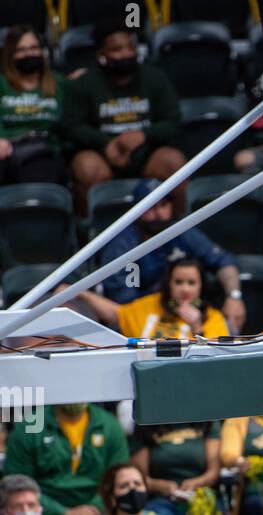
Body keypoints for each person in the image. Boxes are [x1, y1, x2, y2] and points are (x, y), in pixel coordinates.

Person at [94, 178, 247, 334]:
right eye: (150, 207)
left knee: (230, 317)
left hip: (186, 311)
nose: (158, 213)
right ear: (136, 210)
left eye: (163, 205)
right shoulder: (123, 246)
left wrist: (234, 296)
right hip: (144, 316)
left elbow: (223, 262)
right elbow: (125, 304)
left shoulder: (181, 232)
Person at [64, 20, 185, 216]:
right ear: (101, 55)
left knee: (174, 161)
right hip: (102, 154)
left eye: (130, 47)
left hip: (146, 154)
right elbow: (71, 125)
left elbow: (173, 121)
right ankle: (88, 233)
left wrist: (143, 135)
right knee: (86, 166)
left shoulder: (154, 77)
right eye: (117, 50)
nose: (126, 54)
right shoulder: (85, 83)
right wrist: (105, 143)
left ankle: (180, 230)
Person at [3, 401, 128, 515]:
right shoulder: (28, 427)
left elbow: (119, 478)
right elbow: (15, 486)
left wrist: (94, 510)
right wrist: (65, 514)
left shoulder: (110, 426)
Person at [73, 256, 231, 342]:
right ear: (169, 283)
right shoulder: (152, 303)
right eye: (178, 282)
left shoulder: (213, 318)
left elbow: (213, 362)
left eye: (191, 283)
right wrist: (82, 293)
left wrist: (197, 327)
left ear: (201, 286)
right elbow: (116, 314)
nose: (185, 288)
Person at [0, 25, 67, 185]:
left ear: (42, 52)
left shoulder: (60, 83)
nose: (29, 54)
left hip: (44, 150)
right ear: (11, 55)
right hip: (5, 149)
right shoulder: (2, 83)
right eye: (21, 50)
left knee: (38, 173)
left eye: (33, 48)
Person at [129, 420, 222, 515]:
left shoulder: (207, 419)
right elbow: (140, 477)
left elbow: (214, 471)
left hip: (201, 494)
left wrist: (197, 483)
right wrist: (159, 486)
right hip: (160, 498)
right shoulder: (146, 421)